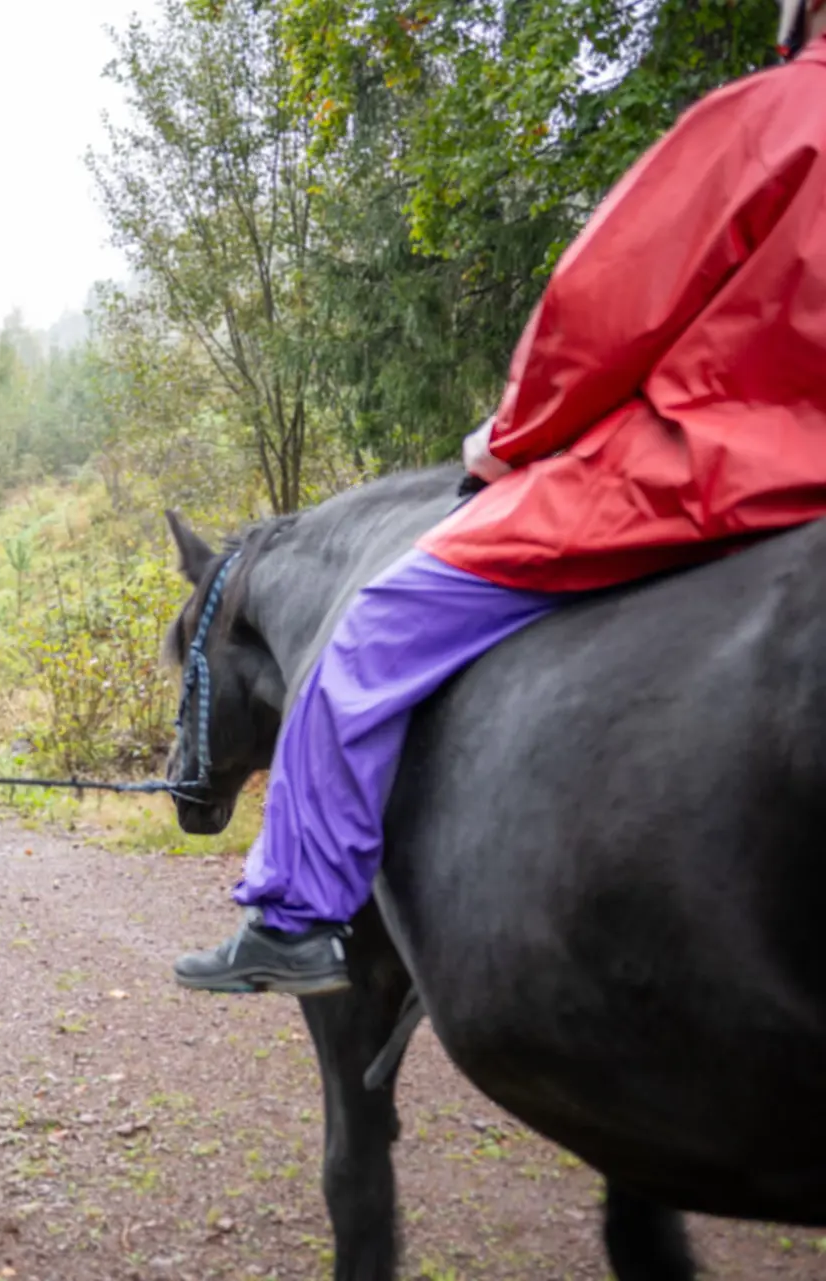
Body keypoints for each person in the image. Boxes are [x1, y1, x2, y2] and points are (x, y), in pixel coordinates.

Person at [174, 1, 826, 996]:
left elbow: (604, 305)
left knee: (371, 631)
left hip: (700, 468)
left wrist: (505, 444)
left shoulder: (772, 117)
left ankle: (296, 915)